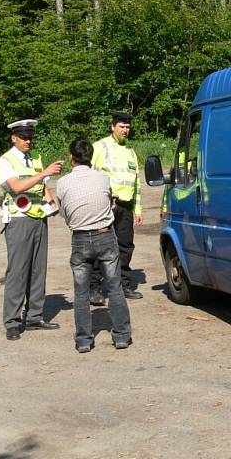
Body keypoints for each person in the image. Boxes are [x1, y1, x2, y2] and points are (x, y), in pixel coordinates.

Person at [55, 139, 132, 353]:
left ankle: (83, 340)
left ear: (71, 157)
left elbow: (63, 212)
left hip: (79, 238)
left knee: (81, 292)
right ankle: (122, 336)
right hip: (105, 235)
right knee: (114, 287)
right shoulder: (103, 177)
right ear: (90, 157)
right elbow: (110, 202)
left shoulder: (62, 183)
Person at [0, 119, 63, 341]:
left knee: (38, 270)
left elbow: (42, 187)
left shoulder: (35, 158)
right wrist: (44, 173)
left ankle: (34, 316)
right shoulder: (5, 161)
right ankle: (12, 322)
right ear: (13, 137)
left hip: (38, 219)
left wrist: (52, 205)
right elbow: (16, 187)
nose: (28, 140)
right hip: (18, 220)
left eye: (30, 136)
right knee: (18, 271)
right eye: (23, 137)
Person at [90, 112, 144, 304]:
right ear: (112, 127)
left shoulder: (131, 151)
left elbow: (136, 183)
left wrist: (137, 209)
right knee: (99, 247)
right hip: (105, 206)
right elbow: (88, 175)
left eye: (128, 127)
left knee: (125, 246)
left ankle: (123, 284)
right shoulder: (99, 147)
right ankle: (94, 289)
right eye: (121, 126)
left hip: (126, 207)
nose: (125, 130)